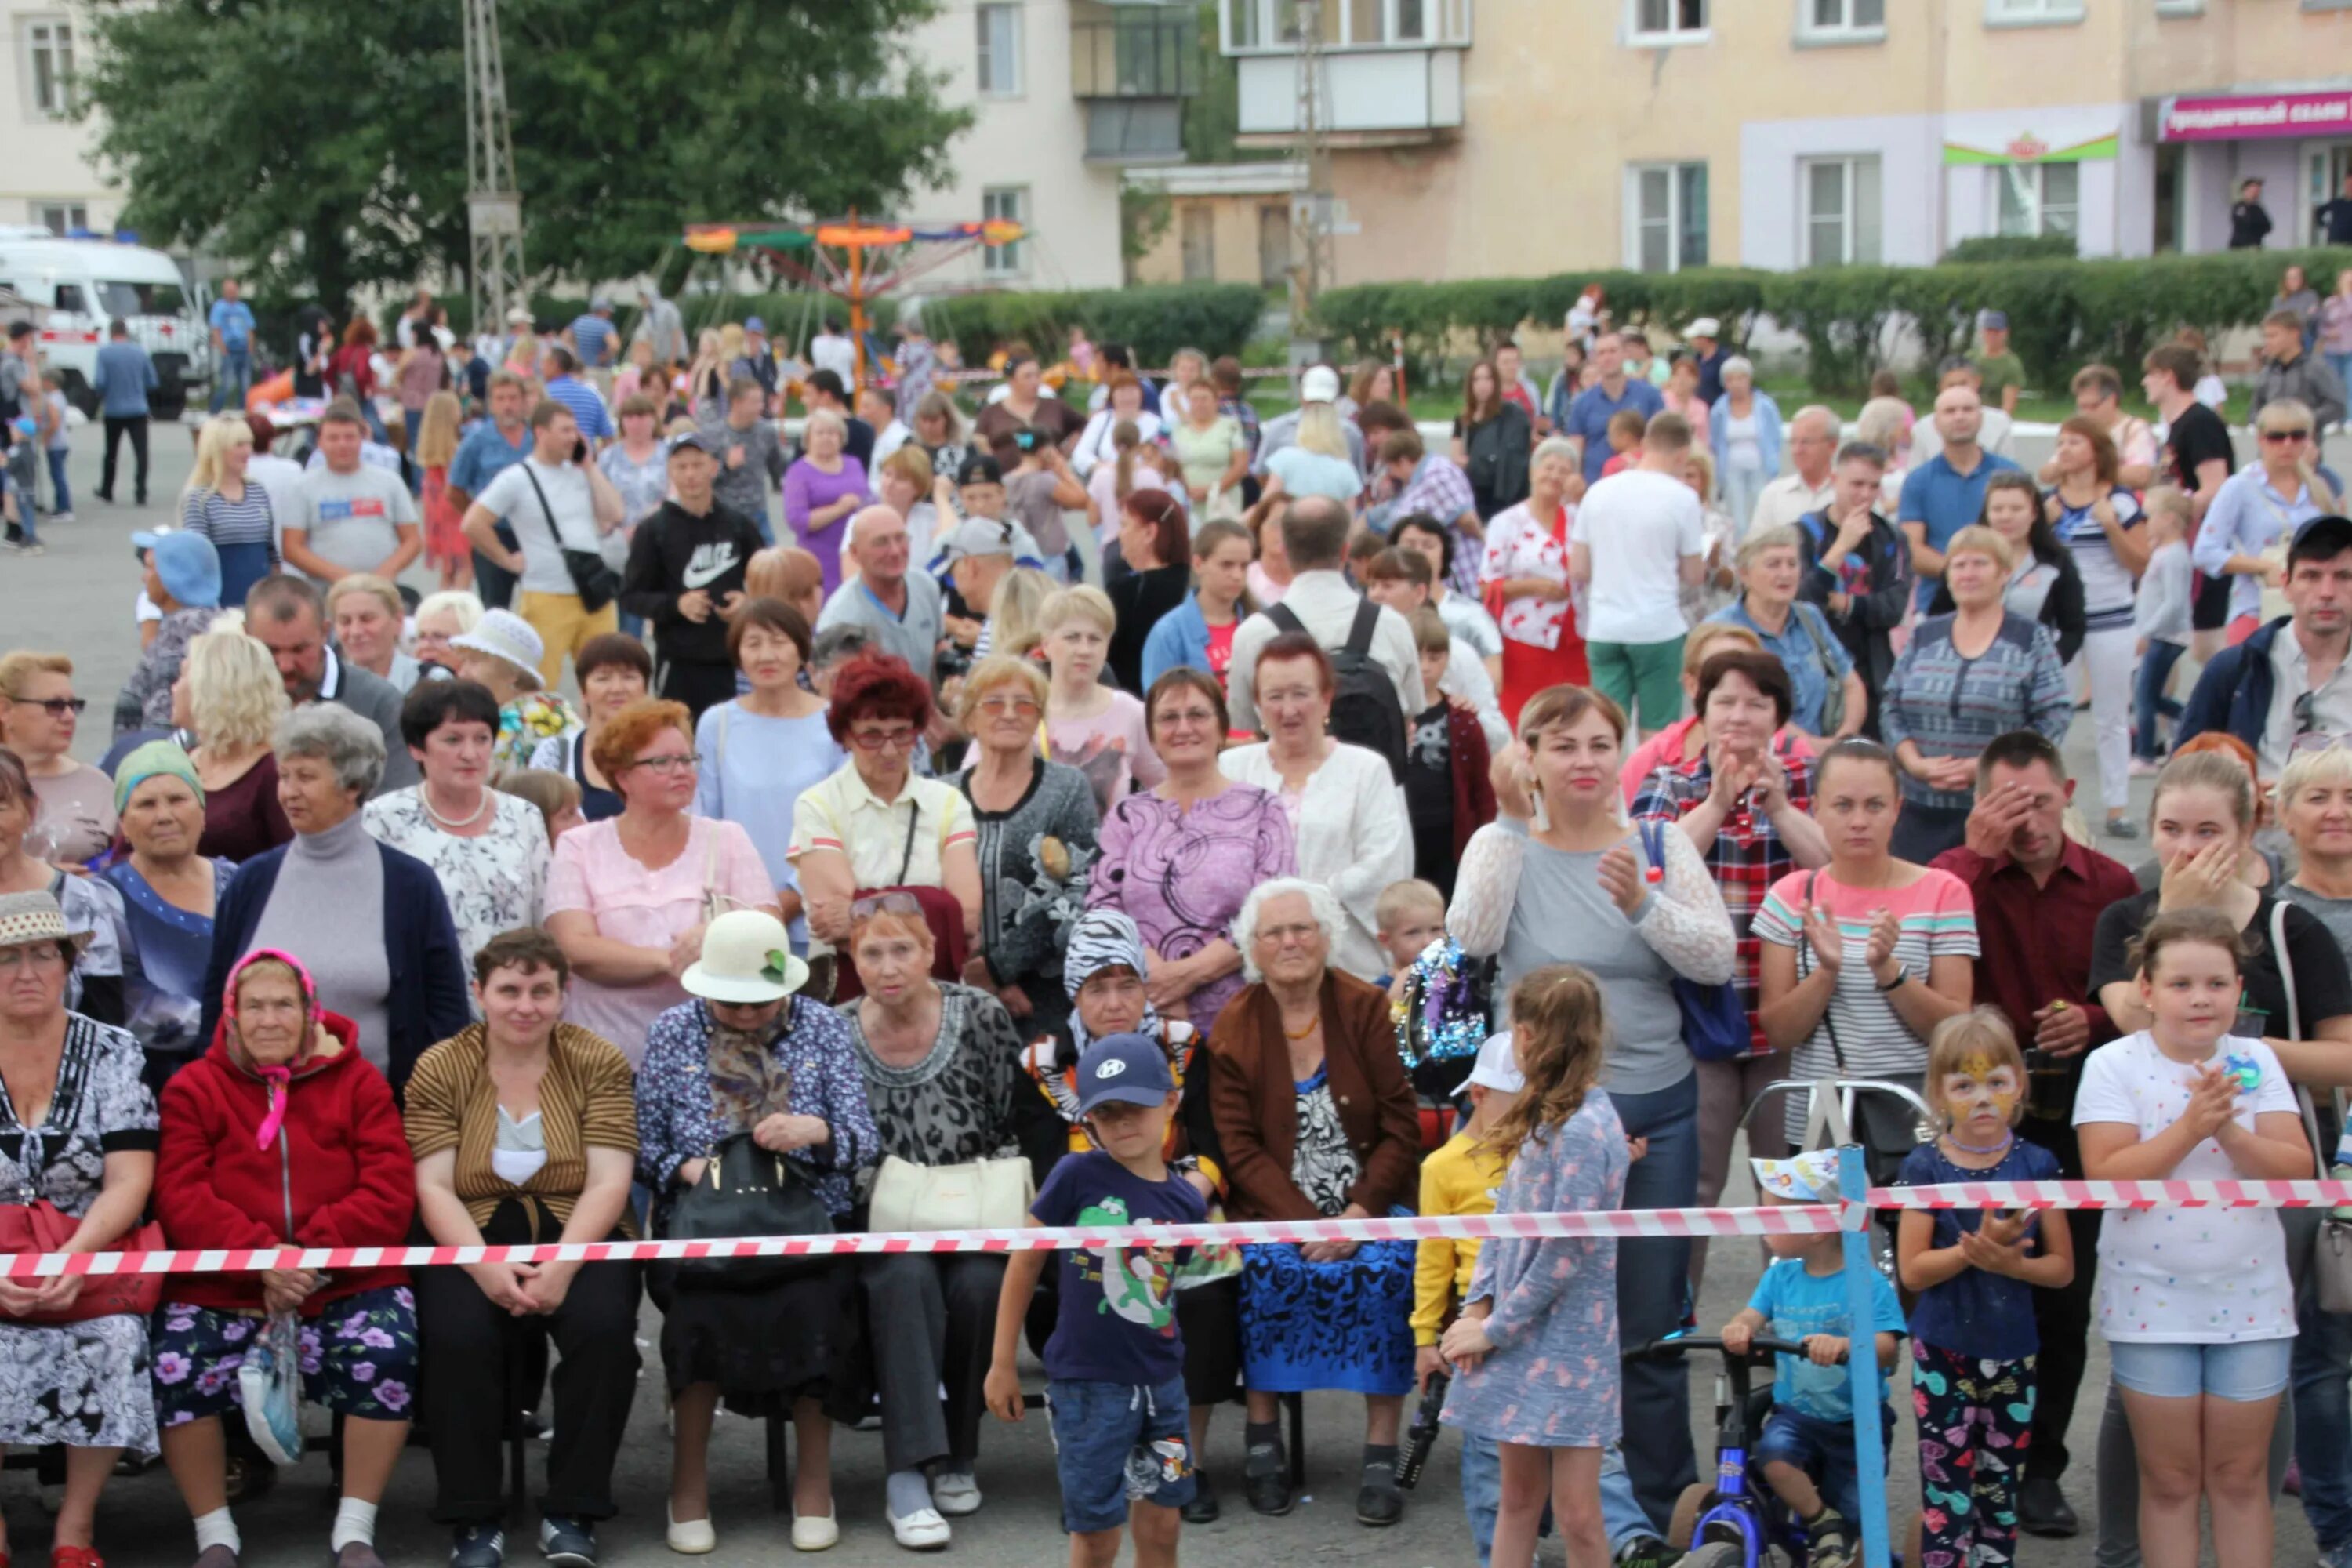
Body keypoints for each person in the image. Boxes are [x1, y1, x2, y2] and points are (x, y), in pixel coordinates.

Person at [1446, 683, 1734, 1529]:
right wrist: (1504, 822)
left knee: (1649, 1318)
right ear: (1529, 755)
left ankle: (1651, 1511)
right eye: (1563, 743)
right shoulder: (1500, 844)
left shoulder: (1660, 840)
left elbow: (1715, 959)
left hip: (1660, 1106)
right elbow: (1471, 937)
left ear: (1623, 754)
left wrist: (1642, 903)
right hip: (1551, 1126)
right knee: (1531, 1306)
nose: (1584, 760)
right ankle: (1534, 1508)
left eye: (1601, 742)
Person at [1918, 731, 2136, 1535]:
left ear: (2069, 791)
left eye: (2040, 800)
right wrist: (1975, 854)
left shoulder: (2111, 882)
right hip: (1977, 1108)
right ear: (1979, 804)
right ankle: (1962, 1457)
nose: (2027, 820)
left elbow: (2140, 988)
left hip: (2080, 1109)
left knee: (2063, 1298)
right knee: (1957, 1286)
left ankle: (2040, 1463)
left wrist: (2094, 1015)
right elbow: (1924, 943)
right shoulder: (1954, 874)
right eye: (2007, 804)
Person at [154, 946, 416, 1568]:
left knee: (387, 1349)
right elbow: (181, 1193)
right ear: (231, 1016)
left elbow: (388, 1187)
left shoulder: (360, 1083)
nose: (269, 1019)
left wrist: (305, 1260)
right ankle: (215, 1534)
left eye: (284, 1005)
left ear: (309, 1013)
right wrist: (260, 1259)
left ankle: (355, 1529)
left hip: (344, 1278)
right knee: (175, 1359)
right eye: (254, 1007)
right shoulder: (194, 1088)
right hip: (228, 1283)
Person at [634, 909, 876, 1553]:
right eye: (732, 1003)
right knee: (698, 1311)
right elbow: (642, 1143)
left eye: (761, 1003)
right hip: (703, 1228)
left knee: (817, 1303)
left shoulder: (825, 1028)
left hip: (807, 1224)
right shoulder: (671, 1031)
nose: (746, 1016)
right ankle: (687, 1486)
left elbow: (863, 1139)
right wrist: (693, 1170)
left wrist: (815, 1131)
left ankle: (815, 1484)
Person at [2078, 909, 2310, 1568]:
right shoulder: (2111, 1065)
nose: (2200, 998)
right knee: (2173, 1480)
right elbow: (2108, 1175)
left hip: (2254, 1300)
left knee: (2239, 1479)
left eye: (2215, 983)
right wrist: (2191, 1125)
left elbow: (2294, 1168)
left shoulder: (2257, 1059)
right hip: (2151, 1301)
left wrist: (2230, 1131)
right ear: (2146, 989)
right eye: (2181, 984)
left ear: (2239, 989)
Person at [406, 929, 643, 1568]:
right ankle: (474, 1516)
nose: (525, 1006)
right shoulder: (440, 1065)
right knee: (457, 1341)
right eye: (509, 990)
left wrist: (563, 1267)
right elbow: (431, 1184)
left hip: (579, 1227)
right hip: (470, 1229)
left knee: (605, 1335)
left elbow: (610, 1181)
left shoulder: (597, 1059)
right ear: (480, 993)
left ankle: (574, 1508)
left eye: (542, 991)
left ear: (564, 995)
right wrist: (483, 1268)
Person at [1207, 878, 1424, 1523]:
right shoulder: (1234, 1025)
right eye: (1273, 932)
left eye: (1303, 928)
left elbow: (1401, 1128)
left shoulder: (1363, 1008)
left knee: (1386, 1273)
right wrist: (1306, 1222)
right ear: (1253, 947)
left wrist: (1358, 1215)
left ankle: (1382, 1454)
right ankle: (1263, 1439)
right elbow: (1238, 1147)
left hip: (1370, 1204)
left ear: (1327, 937)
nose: (1290, 941)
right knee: (1269, 1273)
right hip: (1277, 1213)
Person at [1629, 648, 1831, 1287]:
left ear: (1779, 715)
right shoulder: (1670, 779)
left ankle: (1790, 1318)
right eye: (1725, 702)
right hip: (1698, 1016)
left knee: (1789, 1179)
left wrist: (1778, 809)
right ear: (1703, 710)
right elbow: (1647, 870)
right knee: (1696, 1180)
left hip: (1789, 1017)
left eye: (1755, 703)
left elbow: (1836, 868)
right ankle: (1677, 1312)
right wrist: (1717, 802)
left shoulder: (1806, 778)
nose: (1739, 716)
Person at [837, 895, 1026, 1548]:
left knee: (978, 1286)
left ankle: (959, 1452)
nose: (888, 966)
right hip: (883, 1216)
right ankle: (907, 1475)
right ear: (851, 959)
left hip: (976, 1207)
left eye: (903, 950)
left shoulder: (980, 1013)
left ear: (930, 953)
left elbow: (1009, 1120)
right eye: (871, 952)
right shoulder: (835, 1030)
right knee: (904, 1281)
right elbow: (840, 1142)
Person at [985, 1029, 1207, 1565]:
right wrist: (1001, 1363)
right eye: (1107, 1113)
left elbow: (1170, 1287)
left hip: (1165, 1388)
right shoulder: (1075, 1174)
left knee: (1163, 1524)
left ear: (1171, 1102)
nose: (1123, 1122)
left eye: (1136, 1106)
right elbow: (1026, 1258)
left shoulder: (1186, 1202)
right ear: (1089, 1120)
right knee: (1096, 1534)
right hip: (1087, 1391)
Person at [1438, 967, 1633, 1568]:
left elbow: (1563, 1255)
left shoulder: (1585, 1130)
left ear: (1524, 1036)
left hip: (1570, 1345)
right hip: (1519, 1336)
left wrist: (1495, 1328)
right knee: (1516, 1499)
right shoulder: (1538, 1120)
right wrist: (1478, 1305)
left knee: (1578, 1514)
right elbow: (1505, 1223)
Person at [0, 890, 161, 1565]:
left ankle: (76, 1529)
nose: (27, 971)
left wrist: (74, 1261)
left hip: (89, 1252)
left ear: (69, 963)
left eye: (43, 954)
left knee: (114, 1337)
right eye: (7, 957)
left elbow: (129, 1178)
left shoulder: (114, 1051)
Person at [200, 703, 468, 1091]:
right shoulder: (252, 881)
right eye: (284, 776)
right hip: (258, 1116)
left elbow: (446, 1013)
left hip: (379, 1116)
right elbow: (216, 1004)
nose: (289, 792)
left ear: (353, 785)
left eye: (306, 777)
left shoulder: (410, 885)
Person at [1893, 1009, 2074, 1568]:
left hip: (2015, 1355)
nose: (1982, 1098)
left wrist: (2011, 1265)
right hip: (1943, 1354)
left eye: (1996, 1082)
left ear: (2019, 1084)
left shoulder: (2038, 1165)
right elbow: (1914, 1271)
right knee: (1947, 1499)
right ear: (1938, 1094)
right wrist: (1978, 1250)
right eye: (1964, 1084)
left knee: (2000, 1501)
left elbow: (2062, 1268)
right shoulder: (1924, 1168)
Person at [1755, 738, 1979, 1148]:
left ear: (1897, 809)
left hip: (1916, 1112)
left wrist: (1889, 971)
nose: (1859, 821)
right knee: (1819, 1212)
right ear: (1816, 809)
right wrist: (1826, 972)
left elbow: (1953, 1028)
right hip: (1821, 1116)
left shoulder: (1945, 893)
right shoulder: (1790, 897)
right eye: (1843, 805)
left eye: (1874, 805)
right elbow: (1779, 1032)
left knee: (1910, 1213)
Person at [542, 697, 776, 1064]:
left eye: (686, 760)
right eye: (661, 762)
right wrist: (670, 960)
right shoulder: (579, 845)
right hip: (603, 1062)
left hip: (714, 1057)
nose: (681, 771)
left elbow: (769, 933)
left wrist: (715, 938)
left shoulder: (727, 838)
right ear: (622, 777)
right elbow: (574, 948)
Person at [2252, 741, 2352, 1566]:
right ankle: (2338, 1529)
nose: (2337, 810)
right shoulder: (2271, 923)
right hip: (2317, 1160)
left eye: (2351, 794)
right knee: (2320, 1355)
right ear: (2281, 816)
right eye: (2317, 795)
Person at [1719, 1150, 1908, 1567]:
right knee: (1774, 1457)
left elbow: (1888, 1347)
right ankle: (1822, 1521)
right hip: (1797, 1413)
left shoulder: (1865, 1281)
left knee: (1858, 1514)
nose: (1764, 1225)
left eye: (1774, 1215)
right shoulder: (1779, 1277)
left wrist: (1846, 1346)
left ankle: (1853, 1543)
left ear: (1818, 1228)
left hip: (1855, 1420)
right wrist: (1741, 1326)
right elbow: (1752, 1314)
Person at [1088, 670, 1294, 1033]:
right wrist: (1155, 975)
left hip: (1241, 1017)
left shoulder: (1263, 808)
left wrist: (1185, 976)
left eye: (1198, 715)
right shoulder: (1127, 816)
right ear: (1152, 735)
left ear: (1222, 727)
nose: (1183, 728)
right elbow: (1103, 907)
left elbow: (1270, 910)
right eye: (1169, 718)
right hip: (1143, 1010)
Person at [1221, 636, 1414, 983]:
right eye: (1275, 696)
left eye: (1301, 693)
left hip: (1351, 967)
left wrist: (1300, 905)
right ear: (1257, 704)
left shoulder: (1366, 769)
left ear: (1326, 700)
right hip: (1251, 971)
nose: (1288, 709)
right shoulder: (1231, 769)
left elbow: (1383, 867)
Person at [1882, 526, 2072, 860]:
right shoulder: (1925, 635)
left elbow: (2055, 715)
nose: (1968, 574)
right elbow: (1891, 706)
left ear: (2004, 573)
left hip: (1998, 810)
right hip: (1917, 810)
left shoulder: (2030, 638)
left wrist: (1985, 766)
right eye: (1959, 565)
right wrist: (1913, 762)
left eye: (1980, 564)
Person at [362, 680, 550, 985]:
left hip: (512, 1004)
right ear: (416, 748)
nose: (470, 754)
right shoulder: (382, 818)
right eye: (453, 740)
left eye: (482, 739)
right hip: (420, 995)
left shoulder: (524, 816)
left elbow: (545, 920)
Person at [694, 600, 843, 955]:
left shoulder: (834, 722)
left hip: (815, 913)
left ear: (801, 649)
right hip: (735, 916)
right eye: (753, 643)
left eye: (778, 642)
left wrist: (789, 898)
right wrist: (750, 908)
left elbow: (840, 823)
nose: (766, 655)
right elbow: (704, 821)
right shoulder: (717, 724)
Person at [460, 399, 630, 691]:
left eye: (574, 431)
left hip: (594, 593)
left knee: (605, 678)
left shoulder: (580, 473)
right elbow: (473, 523)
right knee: (540, 683)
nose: (573, 437)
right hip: (546, 594)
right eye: (564, 430)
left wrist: (589, 467)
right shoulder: (517, 478)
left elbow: (615, 514)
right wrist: (506, 559)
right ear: (541, 432)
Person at [1226, 498, 1424, 735]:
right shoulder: (1392, 625)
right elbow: (1409, 716)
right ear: (1345, 552)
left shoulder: (1254, 633)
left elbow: (1245, 725)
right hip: (1374, 770)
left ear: (1286, 551)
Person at [99, 742, 234, 1082]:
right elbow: (128, 1002)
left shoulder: (239, 882)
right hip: (153, 1084)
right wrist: (236, 1033)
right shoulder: (104, 898)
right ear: (124, 824)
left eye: (177, 799)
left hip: (249, 1080)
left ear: (202, 812)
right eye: (146, 804)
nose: (164, 815)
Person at [2179, 513, 2352, 775]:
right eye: (2311, 576)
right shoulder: (2234, 671)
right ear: (2286, 585)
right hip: (2262, 814)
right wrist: (2244, 797)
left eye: (2343, 576)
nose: (2327, 592)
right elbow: (2181, 777)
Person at [1570, 412, 1706, 735]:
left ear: (1645, 444)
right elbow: (1693, 574)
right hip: (1657, 627)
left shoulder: (1599, 492)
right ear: (1683, 453)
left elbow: (1578, 568)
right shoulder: (1683, 498)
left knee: (1606, 729)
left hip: (1605, 626)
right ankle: (1650, 786)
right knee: (1658, 733)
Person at [618, 434, 766, 717]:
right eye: (681, 467)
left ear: (713, 467)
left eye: (697, 465)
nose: (690, 475)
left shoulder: (737, 524)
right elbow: (631, 597)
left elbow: (769, 578)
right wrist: (676, 605)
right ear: (670, 472)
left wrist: (749, 602)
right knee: (682, 744)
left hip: (735, 659)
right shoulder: (654, 530)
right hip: (679, 662)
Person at [242, 575, 418, 793]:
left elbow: (399, 797)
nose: (286, 665)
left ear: (325, 632)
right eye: (271, 651)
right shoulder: (228, 702)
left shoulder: (377, 700)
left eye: (300, 649)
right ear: (246, 635)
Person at [1794, 445, 1913, 739]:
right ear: (1835, 479)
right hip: (1816, 667)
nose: (1865, 495)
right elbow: (1801, 602)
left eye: (1874, 486)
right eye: (1857, 484)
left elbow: (1893, 608)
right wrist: (1840, 549)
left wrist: (1843, 603)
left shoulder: (1890, 538)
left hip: (1870, 668)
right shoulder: (1805, 532)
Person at [2200, 399, 2343, 641]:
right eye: (2277, 437)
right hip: (2258, 607)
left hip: (2314, 613)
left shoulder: (2319, 487)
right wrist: (2262, 567)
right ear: (2260, 439)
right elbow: (2205, 551)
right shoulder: (2240, 487)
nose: (2287, 444)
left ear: (2309, 439)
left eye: (2297, 436)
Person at [1708, 528, 1864, 746]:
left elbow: (1852, 684)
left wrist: (1844, 739)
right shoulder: (1723, 630)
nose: (1785, 574)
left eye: (1792, 564)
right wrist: (1811, 746)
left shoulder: (1810, 618)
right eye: (1773, 564)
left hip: (1825, 756)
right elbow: (1735, 707)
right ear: (1744, 574)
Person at [1479, 440, 1587, 729]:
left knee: (1574, 719)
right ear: (1532, 472)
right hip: (1526, 641)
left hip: (1575, 638)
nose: (1554, 475)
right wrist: (1533, 587)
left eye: (1564, 470)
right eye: (1548, 467)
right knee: (1526, 721)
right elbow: (1486, 585)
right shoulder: (1507, 522)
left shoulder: (1582, 518)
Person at [2143, 343, 2241, 662]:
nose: (2145, 382)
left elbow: (2216, 485)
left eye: (2150, 375)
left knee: (2207, 644)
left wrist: (2174, 517)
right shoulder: (2177, 424)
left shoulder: (2199, 422)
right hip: (2183, 541)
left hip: (2206, 538)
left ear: (2168, 377)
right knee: (2174, 640)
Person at [1930, 469, 2086, 665]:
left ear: (2034, 513)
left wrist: (2048, 663)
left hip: (2032, 670)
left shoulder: (2056, 562)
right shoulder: (1963, 559)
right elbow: (1938, 616)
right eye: (1997, 509)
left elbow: (2073, 627)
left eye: (2016, 509)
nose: (2006, 517)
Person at [1038, 586, 1165, 814]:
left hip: (1111, 848)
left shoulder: (1130, 712)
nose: (1084, 650)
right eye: (1072, 638)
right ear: (1046, 645)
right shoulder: (1023, 710)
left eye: (1095, 639)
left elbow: (1167, 787)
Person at [1899, 383, 2023, 608]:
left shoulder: (2011, 475)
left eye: (1968, 409)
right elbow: (1912, 550)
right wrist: (1966, 574)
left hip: (2006, 600)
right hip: (1938, 604)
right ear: (1936, 423)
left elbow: (2025, 540)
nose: (1959, 417)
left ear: (1981, 419)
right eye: (1950, 411)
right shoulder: (1918, 481)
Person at [175, 628, 294, 862]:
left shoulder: (274, 772)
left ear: (210, 689)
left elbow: (290, 860)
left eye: (182, 677)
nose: (174, 688)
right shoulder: (180, 761)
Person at [285, 401, 423, 587]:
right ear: (320, 443)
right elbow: (292, 547)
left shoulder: (390, 482)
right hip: (326, 591)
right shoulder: (302, 487)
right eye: (333, 438)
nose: (342, 445)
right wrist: (339, 576)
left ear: (362, 439)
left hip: (381, 589)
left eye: (350, 437)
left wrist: (386, 572)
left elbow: (412, 540)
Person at [0, 652, 119, 865]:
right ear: (5, 710)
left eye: (74, 706)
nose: (69, 717)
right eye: (54, 706)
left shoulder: (98, 786)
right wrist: (49, 877)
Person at [444, 608, 583, 779]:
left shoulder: (514, 723)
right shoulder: (554, 708)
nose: (463, 673)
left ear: (512, 673)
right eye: (464, 661)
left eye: (474, 662)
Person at [817, 503, 946, 686]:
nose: (895, 551)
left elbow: (938, 646)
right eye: (881, 542)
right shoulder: (841, 617)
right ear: (855, 553)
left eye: (900, 538)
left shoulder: (925, 585)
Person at [114, 531, 223, 737]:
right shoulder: (214, 621)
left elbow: (163, 719)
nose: (143, 577)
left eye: (149, 568)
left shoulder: (181, 631)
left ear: (172, 575)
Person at [448, 372, 536, 609]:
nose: (508, 406)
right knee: (495, 606)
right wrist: (478, 515)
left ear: (525, 401)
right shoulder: (477, 441)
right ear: (491, 404)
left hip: (534, 531)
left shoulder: (537, 436)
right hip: (494, 533)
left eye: (513, 398)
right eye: (501, 399)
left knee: (540, 602)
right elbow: (455, 488)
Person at [180, 416, 281, 609]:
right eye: (239, 445)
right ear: (218, 449)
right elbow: (197, 560)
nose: (248, 452)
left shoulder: (258, 490)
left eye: (249, 444)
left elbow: (271, 553)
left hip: (261, 602)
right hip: (221, 601)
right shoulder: (199, 499)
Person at [1376, 429, 1486, 597]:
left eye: (1391, 468)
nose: (1392, 475)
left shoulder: (1437, 477)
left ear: (1403, 462)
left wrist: (1486, 543)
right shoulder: (1422, 477)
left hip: (1462, 573)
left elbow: (1467, 519)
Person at [2135, 489, 2197, 771]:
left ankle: (2146, 754)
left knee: (2144, 696)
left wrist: (2147, 631)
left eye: (2150, 515)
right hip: (2162, 634)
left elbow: (2174, 602)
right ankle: (2193, 719)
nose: (2145, 521)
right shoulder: (2166, 551)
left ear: (2168, 519)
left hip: (2166, 635)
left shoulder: (2174, 556)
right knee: (2153, 696)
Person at [785, 408, 873, 596]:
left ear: (841, 438)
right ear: (808, 439)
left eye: (832, 433)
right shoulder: (798, 472)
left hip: (856, 552)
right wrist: (839, 509)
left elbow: (867, 496)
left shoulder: (853, 464)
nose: (827, 438)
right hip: (820, 558)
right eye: (820, 433)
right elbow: (797, 520)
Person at [1563, 332, 1665, 490]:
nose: (1607, 357)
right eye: (1601, 353)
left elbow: (1661, 443)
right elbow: (1575, 452)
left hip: (1642, 487)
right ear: (1594, 359)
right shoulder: (1582, 403)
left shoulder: (1650, 396)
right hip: (1596, 489)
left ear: (1625, 354)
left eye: (1613, 351)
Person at [2041, 365, 2158, 492]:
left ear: (2112, 400)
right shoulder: (2077, 430)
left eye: (2092, 406)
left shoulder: (2134, 429)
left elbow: (2140, 475)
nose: (2085, 413)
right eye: (2081, 407)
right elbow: (2046, 474)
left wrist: (2088, 470)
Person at [1706, 357, 1780, 535]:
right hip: (1731, 468)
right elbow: (1715, 441)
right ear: (1725, 383)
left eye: (1741, 378)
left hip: (1760, 466)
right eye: (1731, 379)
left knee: (1761, 511)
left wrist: (1773, 462)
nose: (1737, 384)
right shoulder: (1719, 410)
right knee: (1737, 518)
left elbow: (1775, 436)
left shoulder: (1765, 406)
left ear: (1749, 379)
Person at [1454, 359, 1534, 523]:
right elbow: (1456, 456)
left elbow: (1517, 455)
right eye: (1477, 379)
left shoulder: (1511, 414)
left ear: (1495, 383)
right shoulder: (1463, 420)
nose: (1482, 385)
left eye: (1487, 379)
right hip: (1474, 492)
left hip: (1501, 493)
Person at [91, 318, 157, 506]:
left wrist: (103, 394)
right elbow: (152, 380)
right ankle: (141, 492)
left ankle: (107, 490)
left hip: (113, 410)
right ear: (126, 332)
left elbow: (100, 381)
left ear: (111, 333)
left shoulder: (104, 353)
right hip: (138, 409)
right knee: (141, 452)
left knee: (111, 452)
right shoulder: (140, 352)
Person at [2251, 309, 2349, 434]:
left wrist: (2304, 421)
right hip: (2272, 446)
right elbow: (2255, 410)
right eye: (2266, 336)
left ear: (2294, 334)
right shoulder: (2267, 373)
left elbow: (2337, 405)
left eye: (2273, 336)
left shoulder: (2316, 368)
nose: (2267, 342)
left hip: (2305, 445)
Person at [1750, 406, 1841, 537]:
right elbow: (1755, 549)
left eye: (1806, 442)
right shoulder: (1773, 495)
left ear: (1832, 446)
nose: (1797, 450)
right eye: (1793, 442)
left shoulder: (1849, 493)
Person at [326, 573, 423, 693]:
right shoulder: (324, 686)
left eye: (367, 619)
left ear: (398, 621)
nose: (355, 631)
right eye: (345, 621)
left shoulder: (429, 680)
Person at [597, 394, 672, 546]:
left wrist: (642, 527)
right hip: (618, 540)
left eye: (641, 416)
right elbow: (598, 498)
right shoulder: (607, 458)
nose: (636, 423)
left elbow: (674, 496)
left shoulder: (669, 454)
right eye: (629, 417)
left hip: (661, 535)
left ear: (653, 419)